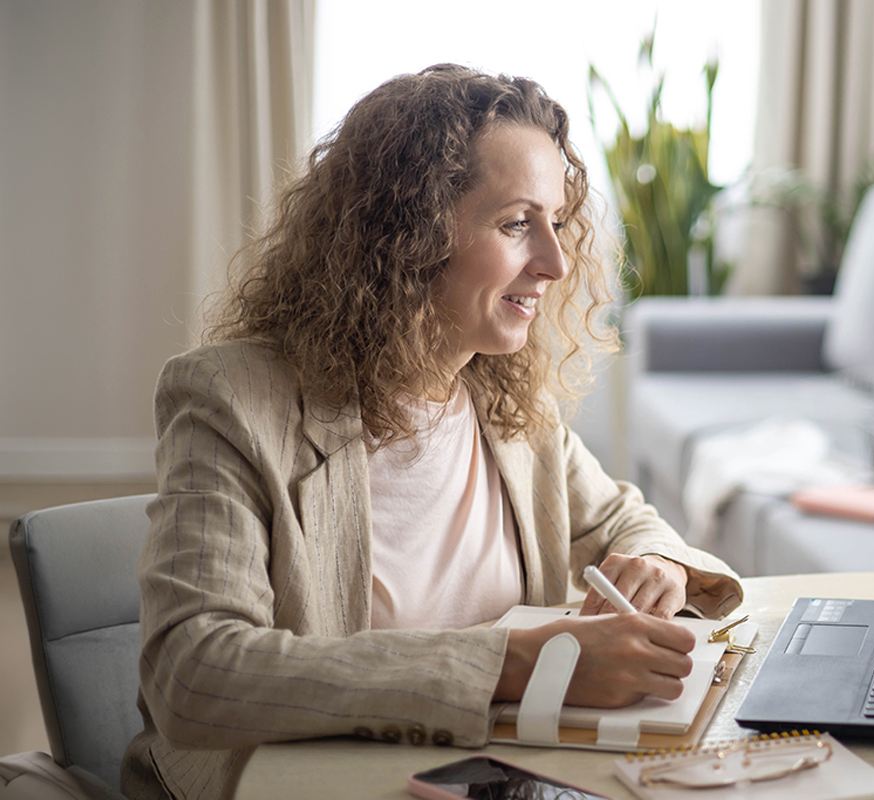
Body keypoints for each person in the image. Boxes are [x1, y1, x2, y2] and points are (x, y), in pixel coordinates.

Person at [121, 64, 742, 800]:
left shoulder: (504, 398)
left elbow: (621, 520)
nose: (555, 262)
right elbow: (194, 671)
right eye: (517, 224)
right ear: (405, 233)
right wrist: (516, 662)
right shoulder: (231, 401)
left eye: (555, 222)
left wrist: (656, 563)